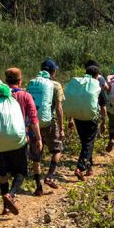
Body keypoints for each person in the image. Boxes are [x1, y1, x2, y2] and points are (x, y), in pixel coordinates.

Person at [0, 68, 43, 214]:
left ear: (6, 80)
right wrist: (39, 138)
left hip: (1, 139)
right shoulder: (25, 95)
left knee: (3, 172)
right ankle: (10, 195)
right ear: (20, 80)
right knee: (21, 171)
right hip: (19, 138)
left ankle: (5, 207)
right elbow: (33, 119)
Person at [34, 59, 67, 191]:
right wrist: (62, 127)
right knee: (57, 149)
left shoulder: (34, 83)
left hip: (33, 123)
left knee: (36, 156)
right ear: (53, 72)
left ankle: (38, 188)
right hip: (49, 123)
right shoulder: (56, 85)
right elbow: (59, 108)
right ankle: (49, 176)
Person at [71, 62, 108, 180]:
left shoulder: (79, 85)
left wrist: (70, 118)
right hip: (91, 118)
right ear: (97, 75)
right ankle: (80, 167)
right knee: (88, 143)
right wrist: (103, 121)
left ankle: (89, 166)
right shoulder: (97, 86)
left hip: (78, 116)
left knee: (85, 143)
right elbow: (103, 106)